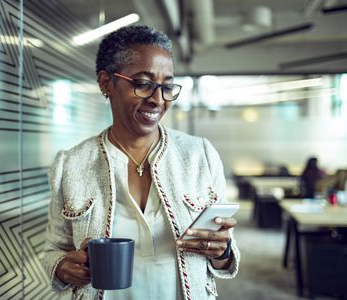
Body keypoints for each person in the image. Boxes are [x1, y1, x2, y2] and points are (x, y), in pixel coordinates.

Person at [42, 25, 239, 300]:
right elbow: (54, 250)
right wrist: (64, 267)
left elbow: (226, 254)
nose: (158, 99)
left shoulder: (199, 155)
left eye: (167, 86)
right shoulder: (71, 165)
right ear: (106, 83)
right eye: (143, 84)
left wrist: (223, 251)